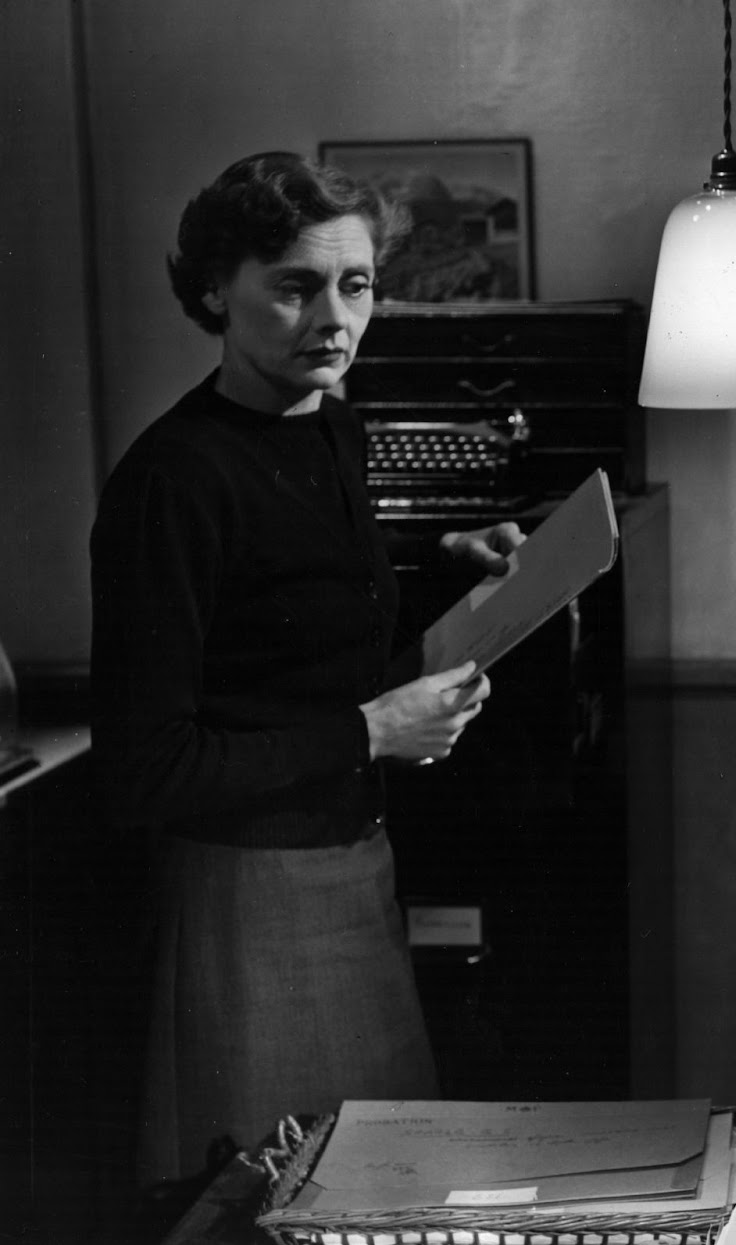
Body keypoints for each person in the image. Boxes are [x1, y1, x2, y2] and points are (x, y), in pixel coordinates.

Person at [90, 151, 528, 1187]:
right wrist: (374, 732)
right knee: (281, 1196)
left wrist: (441, 571)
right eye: (293, 287)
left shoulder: (330, 422)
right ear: (212, 292)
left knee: (378, 1189)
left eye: (357, 285)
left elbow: (295, 639)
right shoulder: (171, 480)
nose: (334, 317)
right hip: (250, 900)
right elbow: (145, 767)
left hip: (354, 865)